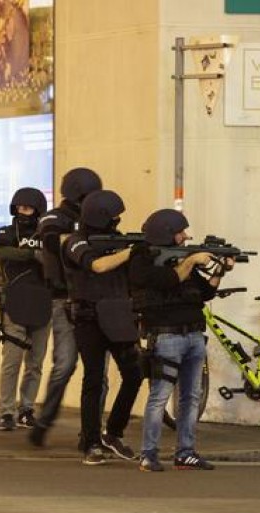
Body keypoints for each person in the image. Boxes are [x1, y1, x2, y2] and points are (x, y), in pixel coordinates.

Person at [128, 208, 228, 472]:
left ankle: (186, 452)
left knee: (191, 397)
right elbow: (167, 280)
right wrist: (192, 260)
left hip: (194, 334)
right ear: (166, 233)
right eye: (180, 232)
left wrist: (220, 269)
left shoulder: (183, 260)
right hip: (166, 335)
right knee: (159, 397)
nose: (185, 236)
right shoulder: (143, 258)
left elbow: (205, 293)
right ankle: (148, 454)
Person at [62, 190, 143, 465]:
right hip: (89, 317)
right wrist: (130, 253)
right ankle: (91, 441)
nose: (118, 221)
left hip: (119, 314)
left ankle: (113, 433)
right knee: (94, 379)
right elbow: (97, 265)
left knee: (134, 373)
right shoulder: (75, 242)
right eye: (114, 217)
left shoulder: (118, 242)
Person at [29, 167, 103, 447]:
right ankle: (44, 421)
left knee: (98, 372)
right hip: (63, 299)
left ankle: (91, 433)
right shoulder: (55, 218)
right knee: (65, 364)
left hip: (94, 299)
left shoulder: (95, 219)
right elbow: (49, 235)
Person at [0, 187, 52, 431]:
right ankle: (7, 412)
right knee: (11, 361)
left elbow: (54, 257)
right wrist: (31, 254)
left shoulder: (46, 233)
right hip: (15, 302)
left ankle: (26, 409)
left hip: (42, 301)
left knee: (35, 362)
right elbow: (2, 252)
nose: (22, 212)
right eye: (18, 208)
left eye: (27, 208)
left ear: (37, 210)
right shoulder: (6, 232)